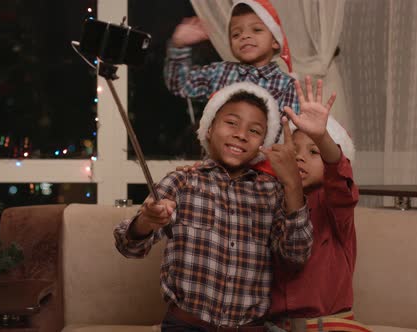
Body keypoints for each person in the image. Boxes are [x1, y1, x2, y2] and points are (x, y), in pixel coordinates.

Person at [114, 82, 313, 331]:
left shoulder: (272, 192)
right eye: (231, 122)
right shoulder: (182, 181)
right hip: (186, 324)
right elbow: (127, 245)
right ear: (209, 130)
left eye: (254, 130)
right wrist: (146, 221)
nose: (241, 134)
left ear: (264, 143)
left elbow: (296, 256)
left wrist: (293, 184)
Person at [267, 77, 370, 332]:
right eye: (295, 150)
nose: (300, 157)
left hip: (330, 325)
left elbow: (339, 176)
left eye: (313, 152)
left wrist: (321, 136)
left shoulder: (334, 203)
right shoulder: (272, 199)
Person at [164, 0, 299, 141]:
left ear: (275, 41)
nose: (244, 36)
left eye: (256, 30)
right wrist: (178, 46)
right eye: (236, 34)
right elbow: (180, 83)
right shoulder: (219, 72)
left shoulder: (288, 85)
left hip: (265, 161)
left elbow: (290, 136)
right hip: (216, 161)